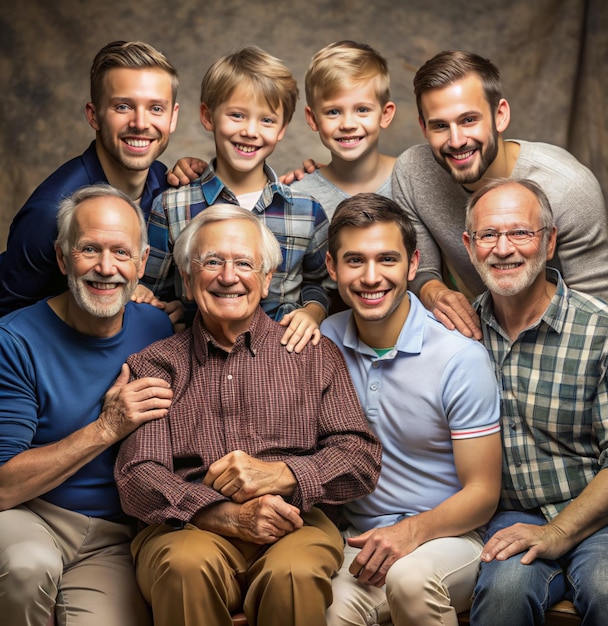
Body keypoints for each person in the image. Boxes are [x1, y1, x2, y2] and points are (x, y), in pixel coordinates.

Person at [114, 204, 382, 626]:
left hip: (295, 521)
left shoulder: (312, 353)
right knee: (186, 566)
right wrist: (223, 515)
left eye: (244, 263)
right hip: (184, 526)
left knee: (293, 573)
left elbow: (360, 458)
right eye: (212, 262)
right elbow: (139, 475)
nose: (228, 276)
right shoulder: (156, 364)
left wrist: (282, 475)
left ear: (268, 278)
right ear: (186, 278)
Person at [321, 193, 502, 626]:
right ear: (331, 268)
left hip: (450, 537)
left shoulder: (459, 357)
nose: (370, 277)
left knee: (410, 580)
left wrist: (410, 533)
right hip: (360, 540)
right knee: (327, 608)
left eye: (386, 259)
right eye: (354, 261)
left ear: (412, 264)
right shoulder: (324, 340)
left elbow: (483, 493)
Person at [0, 184, 175, 626]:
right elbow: (2, 487)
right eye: (89, 249)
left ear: (141, 263)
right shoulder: (14, 341)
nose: (105, 267)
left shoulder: (158, 327)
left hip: (114, 538)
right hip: (28, 516)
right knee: (27, 567)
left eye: (120, 253)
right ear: (62, 258)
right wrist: (107, 427)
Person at [462, 178, 608, 625]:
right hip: (509, 515)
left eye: (520, 232)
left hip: (602, 515)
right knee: (504, 595)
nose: (503, 248)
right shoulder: (459, 335)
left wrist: (558, 531)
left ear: (549, 241)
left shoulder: (605, 332)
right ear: (469, 246)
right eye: (488, 235)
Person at [391, 49, 608, 340]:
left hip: (558, 342)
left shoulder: (566, 187)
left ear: (500, 115)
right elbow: (420, 270)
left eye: (469, 120)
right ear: (424, 128)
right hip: (471, 340)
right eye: (440, 125)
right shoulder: (412, 174)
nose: (457, 140)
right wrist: (433, 292)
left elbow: (599, 309)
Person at [142, 45, 333, 352]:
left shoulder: (306, 211)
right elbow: (149, 290)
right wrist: (165, 313)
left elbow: (323, 282)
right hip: (199, 363)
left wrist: (314, 310)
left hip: (282, 364)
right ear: (208, 116)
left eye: (267, 121)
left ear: (283, 128)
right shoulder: (172, 206)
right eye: (236, 115)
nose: (250, 131)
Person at [0, 40, 192, 317]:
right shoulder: (49, 212)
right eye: (123, 107)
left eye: (155, 109)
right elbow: (7, 317)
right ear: (94, 116)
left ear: (173, 118)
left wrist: (171, 310)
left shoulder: (167, 183)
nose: (140, 123)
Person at [290, 40, 396, 219]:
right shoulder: (299, 195)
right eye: (333, 112)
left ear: (385, 114)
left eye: (362, 110)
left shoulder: (412, 179)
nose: (348, 124)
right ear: (313, 118)